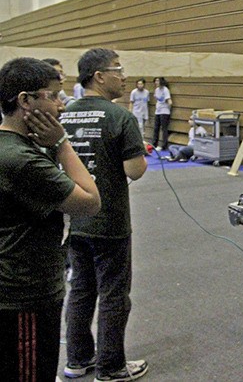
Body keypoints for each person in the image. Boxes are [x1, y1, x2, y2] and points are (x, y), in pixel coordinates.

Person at [0, 57, 100, 381]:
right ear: (25, 101)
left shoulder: (14, 147)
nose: (61, 105)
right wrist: (61, 143)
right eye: (53, 95)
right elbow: (90, 202)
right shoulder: (21, 159)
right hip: (25, 295)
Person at [60, 48, 149, 381]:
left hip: (73, 220)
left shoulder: (63, 114)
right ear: (99, 76)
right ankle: (111, 367)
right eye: (118, 69)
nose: (124, 76)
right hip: (109, 221)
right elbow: (135, 170)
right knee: (113, 295)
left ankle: (78, 360)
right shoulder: (120, 117)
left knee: (80, 291)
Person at [152, 76, 172, 151]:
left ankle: (164, 145)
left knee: (164, 129)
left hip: (164, 111)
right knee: (156, 128)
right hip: (158, 110)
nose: (156, 82)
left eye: (158, 81)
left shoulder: (165, 90)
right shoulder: (156, 90)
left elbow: (169, 101)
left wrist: (168, 109)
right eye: (155, 81)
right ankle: (154, 144)